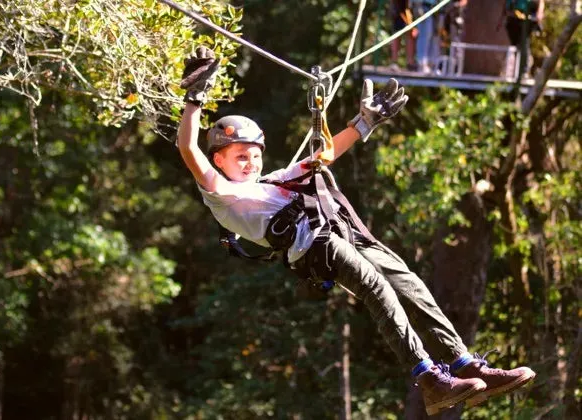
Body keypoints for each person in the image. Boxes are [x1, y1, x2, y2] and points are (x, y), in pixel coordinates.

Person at [176, 46, 536, 416]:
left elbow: (322, 157)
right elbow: (187, 146)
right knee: (375, 287)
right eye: (240, 157)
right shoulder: (222, 195)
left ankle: (464, 363)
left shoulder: (271, 181)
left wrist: (363, 123)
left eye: (254, 155)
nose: (250, 163)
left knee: (407, 283)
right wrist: (195, 99)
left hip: (343, 232)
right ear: (219, 160)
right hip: (317, 245)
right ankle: (429, 378)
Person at [500, 0, 545, 77]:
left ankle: (524, 70)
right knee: (516, 45)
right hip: (512, 18)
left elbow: (541, 1)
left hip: (526, 18)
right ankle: (517, 70)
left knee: (523, 43)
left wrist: (539, 13)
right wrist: (503, 14)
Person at [390, 0, 417, 71]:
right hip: (399, 9)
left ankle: (410, 62)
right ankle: (394, 62)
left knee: (410, 35)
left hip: (409, 11)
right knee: (396, 35)